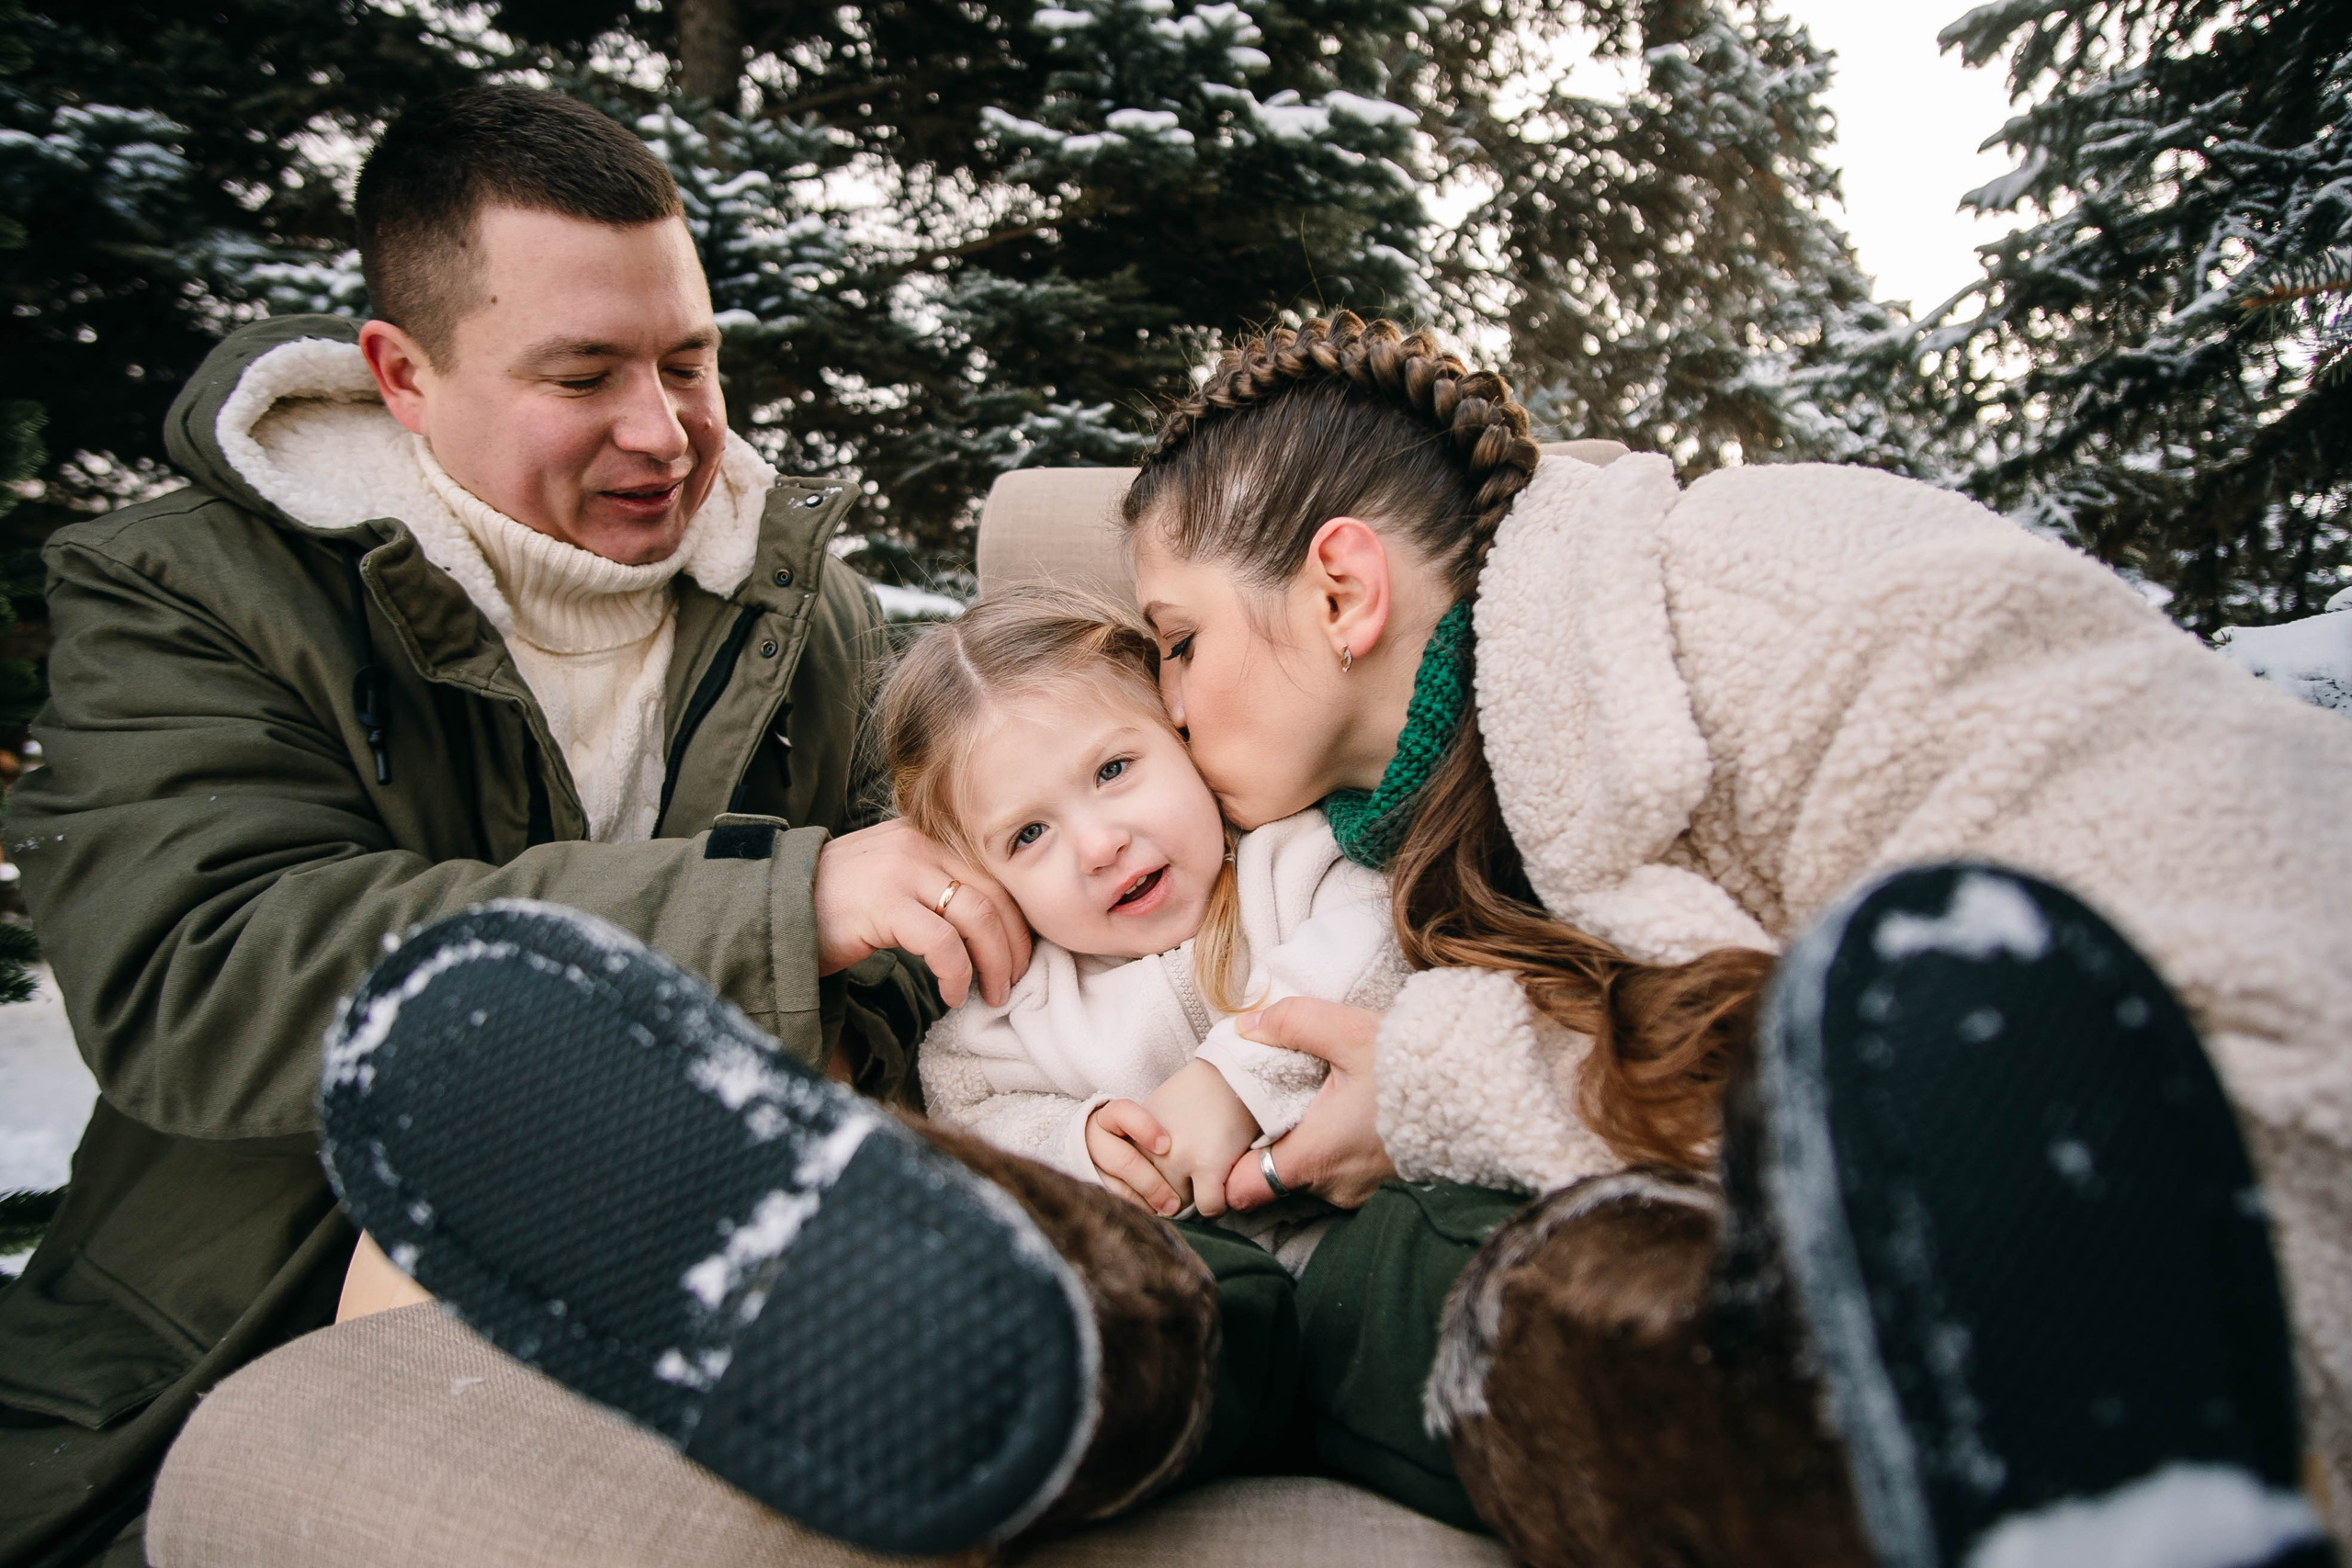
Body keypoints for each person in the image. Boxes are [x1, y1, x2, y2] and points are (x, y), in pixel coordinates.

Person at [233, 313, 2343, 1568]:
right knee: (1258, 1303)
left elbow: (2166, 985)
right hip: (1256, 1258)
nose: (1159, 728)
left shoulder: (1756, 598)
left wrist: (1419, 1085)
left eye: (1171, 649)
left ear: (1337, 588)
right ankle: (988, 1323)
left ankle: (1974, 1455)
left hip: (2105, 1231)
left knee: (1514, 1295)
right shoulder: (1421, 795)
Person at [0, 85, 1047, 1567]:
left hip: (685, 1334)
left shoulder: (811, 609)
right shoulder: (189, 592)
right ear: (401, 374)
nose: (663, 431)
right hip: (221, 1357)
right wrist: (770, 919)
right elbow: (201, 973)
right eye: (583, 374)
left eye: (691, 361)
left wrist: (842, 1014)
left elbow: (919, 921)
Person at [881, 586, 1399, 1229]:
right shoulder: (1013, 1018)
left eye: (1112, 769)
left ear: (1182, 734)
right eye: (1029, 834)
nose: (1100, 846)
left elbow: (1385, 944)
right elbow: (972, 1125)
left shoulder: (1298, 860)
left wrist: (1235, 1082)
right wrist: (1077, 1148)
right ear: (987, 882)